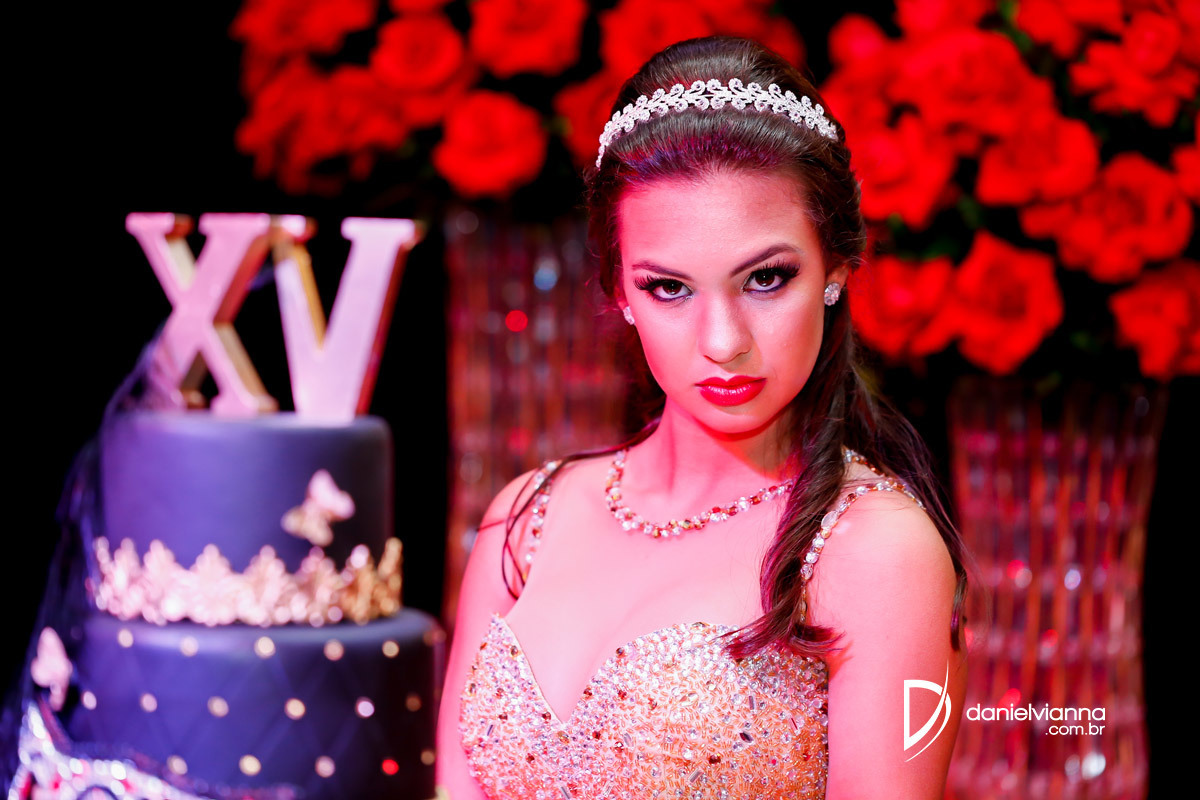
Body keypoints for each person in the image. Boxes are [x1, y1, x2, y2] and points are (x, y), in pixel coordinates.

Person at [437, 35, 974, 800]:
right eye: (669, 288)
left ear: (836, 268)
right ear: (619, 291)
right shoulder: (526, 523)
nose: (723, 342)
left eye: (766, 278)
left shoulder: (875, 550)